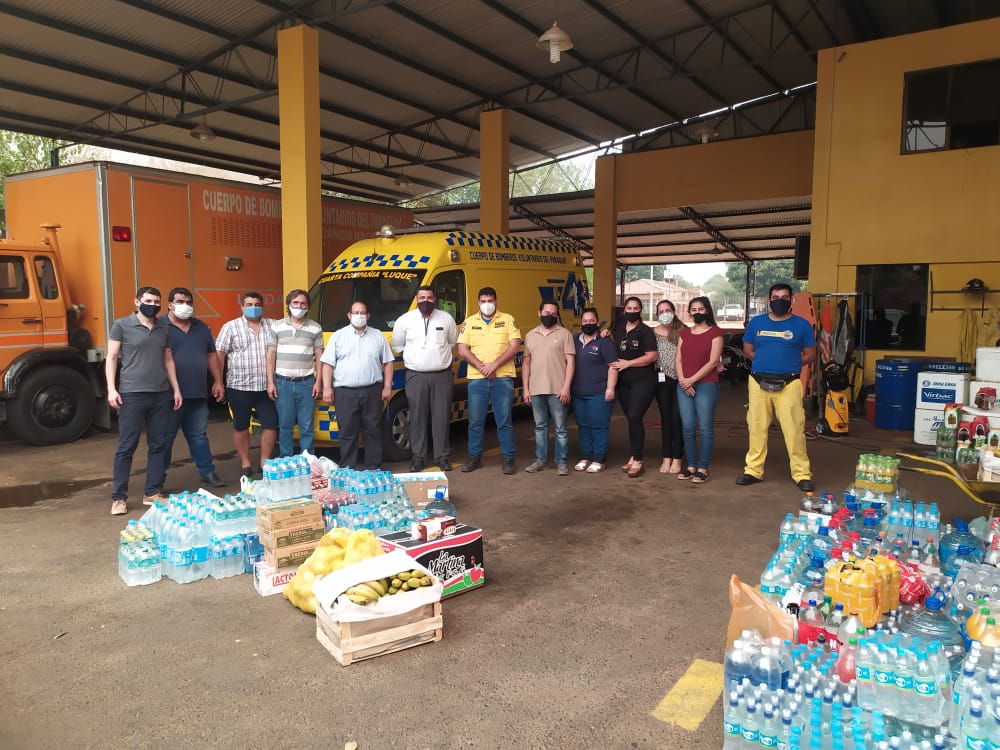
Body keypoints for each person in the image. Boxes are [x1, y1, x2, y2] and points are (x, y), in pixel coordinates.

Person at [105, 286, 182, 515]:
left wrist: (175, 389)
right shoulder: (121, 325)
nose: (153, 304)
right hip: (132, 394)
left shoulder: (163, 328)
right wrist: (111, 389)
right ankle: (119, 498)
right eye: (148, 300)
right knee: (127, 446)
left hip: (160, 393)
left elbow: (168, 360)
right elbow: (111, 358)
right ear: (136, 301)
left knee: (158, 444)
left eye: (157, 301)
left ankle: (152, 492)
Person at [735, 283, 817, 492]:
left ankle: (801, 474)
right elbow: (748, 349)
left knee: (794, 430)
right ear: (768, 300)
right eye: (775, 296)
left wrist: (789, 365)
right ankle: (753, 470)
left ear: (791, 300)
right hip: (758, 383)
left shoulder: (802, 325)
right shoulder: (756, 323)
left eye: (784, 296)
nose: (779, 300)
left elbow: (810, 354)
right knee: (756, 427)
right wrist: (764, 362)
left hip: (789, 384)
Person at [159, 287, 226, 489]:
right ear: (170, 304)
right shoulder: (159, 326)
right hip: (168, 396)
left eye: (189, 302)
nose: (185, 306)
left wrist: (218, 381)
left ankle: (207, 472)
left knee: (199, 436)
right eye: (180, 301)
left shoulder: (201, 328)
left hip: (197, 393)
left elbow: (211, 356)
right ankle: (157, 479)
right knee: (164, 439)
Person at [391, 285, 458, 472]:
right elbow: (398, 346)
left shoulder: (446, 319)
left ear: (435, 299)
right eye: (422, 298)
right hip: (416, 376)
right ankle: (418, 457)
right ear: (416, 299)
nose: (425, 301)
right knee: (417, 417)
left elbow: (451, 342)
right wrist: (418, 360)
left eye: (429, 297)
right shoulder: (405, 320)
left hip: (441, 376)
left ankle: (442, 456)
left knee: (441, 417)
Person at [320, 301, 394, 470]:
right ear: (349, 315)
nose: (359, 316)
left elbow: (388, 362)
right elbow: (327, 364)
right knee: (347, 431)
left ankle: (374, 467)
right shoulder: (338, 336)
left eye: (362, 312)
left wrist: (387, 386)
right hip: (345, 392)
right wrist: (327, 388)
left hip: (372, 390)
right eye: (356, 312)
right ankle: (348, 468)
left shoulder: (378, 336)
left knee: (373, 430)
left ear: (368, 316)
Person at [457, 287, 522, 475]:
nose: (487, 304)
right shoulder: (470, 322)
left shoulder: (508, 319)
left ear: (496, 301)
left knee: (504, 420)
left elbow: (515, 346)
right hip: (477, 379)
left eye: (490, 300)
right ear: (478, 302)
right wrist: (482, 367)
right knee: (476, 421)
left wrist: (493, 365)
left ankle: (509, 458)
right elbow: (463, 349)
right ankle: (474, 457)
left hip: (502, 378)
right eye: (483, 301)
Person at [215, 292, 278, 479]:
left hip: (266, 386)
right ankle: (245, 462)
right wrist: (218, 381)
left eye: (257, 303)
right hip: (239, 386)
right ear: (242, 307)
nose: (253, 307)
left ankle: (264, 462)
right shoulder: (231, 327)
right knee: (241, 425)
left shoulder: (274, 325)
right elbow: (219, 354)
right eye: (249, 304)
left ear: (262, 306)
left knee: (271, 424)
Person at [266, 289, 324, 457]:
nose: (299, 306)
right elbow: (271, 355)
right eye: (295, 303)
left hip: (306, 383)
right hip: (282, 383)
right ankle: (287, 460)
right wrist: (270, 382)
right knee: (285, 426)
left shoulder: (315, 328)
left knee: (306, 426)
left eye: (303, 303)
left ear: (308, 306)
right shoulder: (277, 326)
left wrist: (318, 381)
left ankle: (308, 461)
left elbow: (320, 356)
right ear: (288, 305)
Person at [522, 300, 576, 476]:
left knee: (560, 428)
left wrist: (566, 387)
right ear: (539, 313)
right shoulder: (530, 335)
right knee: (540, 427)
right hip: (536, 389)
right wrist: (526, 388)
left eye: (553, 313)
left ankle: (561, 462)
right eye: (546, 312)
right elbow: (526, 363)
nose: (550, 316)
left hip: (557, 389)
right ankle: (541, 460)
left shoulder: (564, 334)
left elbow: (571, 362)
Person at [674, 296, 725, 484]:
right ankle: (691, 466)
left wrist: (691, 380)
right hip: (684, 385)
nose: (697, 312)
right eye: (693, 309)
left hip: (706, 384)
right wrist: (682, 381)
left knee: (704, 427)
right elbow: (678, 359)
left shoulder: (716, 333)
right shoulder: (684, 333)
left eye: (700, 309)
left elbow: (713, 362)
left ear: (708, 310)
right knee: (687, 427)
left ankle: (703, 467)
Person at [610, 296, 658, 478]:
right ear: (624, 310)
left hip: (643, 380)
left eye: (635, 308)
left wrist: (628, 364)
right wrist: (607, 333)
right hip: (623, 382)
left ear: (641, 310)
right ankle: (633, 455)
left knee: (635, 416)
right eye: (628, 308)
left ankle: (638, 460)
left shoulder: (645, 331)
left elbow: (651, 356)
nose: (631, 311)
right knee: (631, 419)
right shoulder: (619, 329)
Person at [571, 307, 618, 473]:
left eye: (592, 321)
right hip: (578, 393)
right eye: (585, 321)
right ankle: (586, 456)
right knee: (583, 425)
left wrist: (610, 388)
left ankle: (599, 458)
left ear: (598, 322)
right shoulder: (574, 340)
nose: (588, 324)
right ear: (581, 323)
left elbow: (613, 366)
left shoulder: (604, 342)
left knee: (598, 426)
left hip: (599, 392)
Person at [652, 299, 685, 475]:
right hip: (662, 381)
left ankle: (678, 458)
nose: (664, 313)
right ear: (657, 314)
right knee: (666, 419)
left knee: (677, 419)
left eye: (667, 310)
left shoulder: (683, 331)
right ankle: (666, 457)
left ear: (673, 311)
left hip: (681, 380)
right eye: (661, 310)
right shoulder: (652, 333)